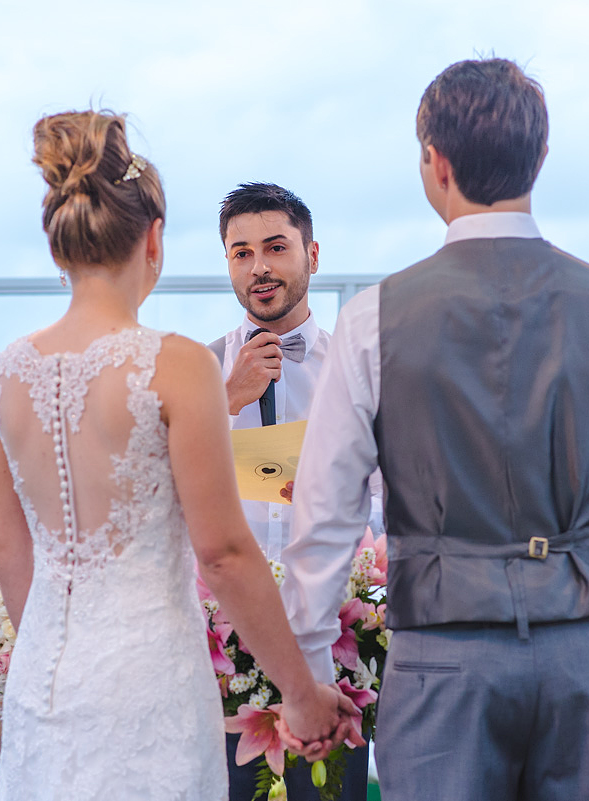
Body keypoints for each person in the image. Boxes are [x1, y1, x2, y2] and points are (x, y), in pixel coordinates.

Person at [280, 59, 589, 800]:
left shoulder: (371, 319)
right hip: (588, 650)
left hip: (441, 655)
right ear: (539, 159)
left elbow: (324, 515)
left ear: (435, 163)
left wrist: (312, 675)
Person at [0, 111, 360, 801]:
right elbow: (223, 553)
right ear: (153, 239)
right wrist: (301, 693)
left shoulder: (7, 374)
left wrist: (51, 654)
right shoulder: (178, 364)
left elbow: (6, 541)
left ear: (59, 241)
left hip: (45, 679)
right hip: (149, 677)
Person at [210, 182, 377, 801]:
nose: (259, 267)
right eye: (241, 252)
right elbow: (161, 499)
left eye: (276, 248)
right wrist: (226, 399)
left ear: (312, 255)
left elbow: (383, 507)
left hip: (335, 642)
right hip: (228, 647)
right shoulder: (197, 375)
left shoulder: (356, 373)